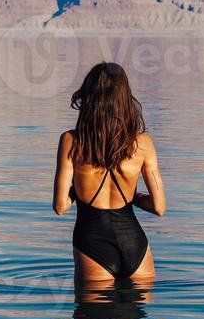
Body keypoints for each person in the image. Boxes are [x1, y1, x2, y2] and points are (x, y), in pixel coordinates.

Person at [53, 63, 166, 284]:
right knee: (140, 315)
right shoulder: (143, 143)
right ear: (125, 98)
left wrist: (77, 190)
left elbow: (60, 207)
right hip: (135, 245)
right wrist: (134, 197)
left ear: (89, 97)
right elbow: (159, 207)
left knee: (93, 317)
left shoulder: (70, 141)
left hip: (92, 243)